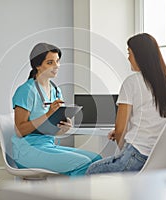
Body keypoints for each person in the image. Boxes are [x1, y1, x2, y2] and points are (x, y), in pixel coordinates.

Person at [86, 33, 166, 175]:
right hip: (159, 159)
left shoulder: (132, 82)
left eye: (130, 53)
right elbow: (151, 120)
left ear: (140, 55)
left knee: (92, 171)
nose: (128, 57)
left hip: (136, 157)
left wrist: (122, 145)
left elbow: (120, 129)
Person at [12, 42, 102, 176]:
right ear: (37, 65)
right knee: (82, 163)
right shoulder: (26, 91)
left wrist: (64, 127)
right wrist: (48, 114)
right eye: (50, 62)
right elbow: (19, 131)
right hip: (27, 150)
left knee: (96, 160)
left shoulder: (56, 90)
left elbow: (53, 131)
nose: (56, 66)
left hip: (49, 146)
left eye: (58, 61)